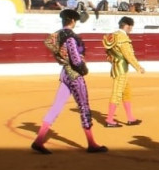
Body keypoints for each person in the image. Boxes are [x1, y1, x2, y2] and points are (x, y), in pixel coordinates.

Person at [30, 9, 106, 154]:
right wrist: (82, 68)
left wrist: (60, 56)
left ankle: (39, 140)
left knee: (56, 107)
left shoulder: (57, 35)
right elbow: (75, 57)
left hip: (64, 72)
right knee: (84, 107)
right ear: (72, 21)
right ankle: (91, 143)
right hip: (74, 74)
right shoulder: (71, 36)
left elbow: (48, 42)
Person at [101, 16, 145, 127]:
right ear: (127, 26)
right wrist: (138, 67)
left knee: (126, 92)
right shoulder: (122, 37)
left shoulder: (113, 36)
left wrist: (114, 62)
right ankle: (109, 120)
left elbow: (108, 54)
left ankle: (130, 118)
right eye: (131, 27)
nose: (131, 30)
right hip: (122, 69)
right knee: (117, 93)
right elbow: (128, 55)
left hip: (117, 66)